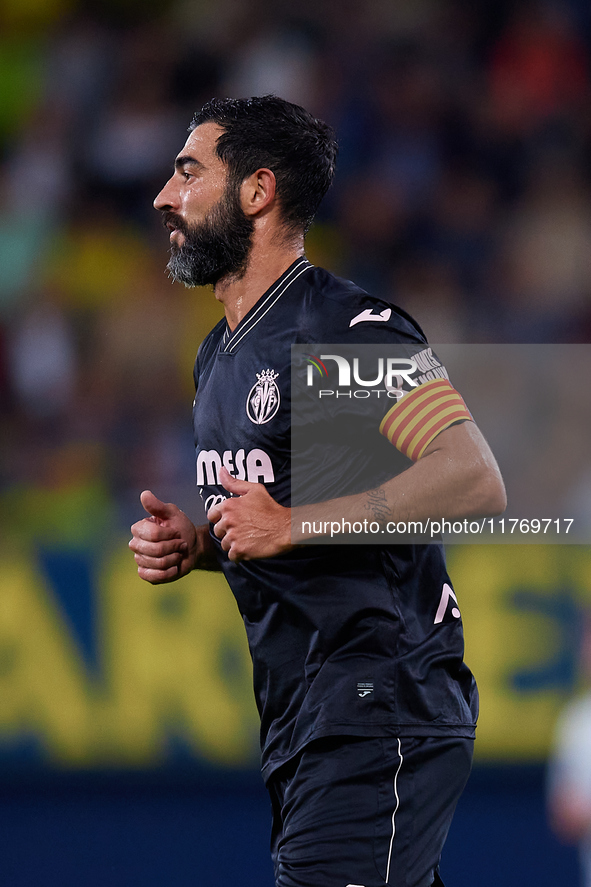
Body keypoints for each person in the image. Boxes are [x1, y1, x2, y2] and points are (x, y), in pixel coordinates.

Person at [129, 95, 506, 887]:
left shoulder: (338, 329)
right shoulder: (219, 355)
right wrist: (206, 545)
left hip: (377, 702)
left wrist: (291, 524)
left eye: (188, 170)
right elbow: (283, 518)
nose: (165, 194)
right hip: (305, 720)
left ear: (257, 190)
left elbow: (473, 476)